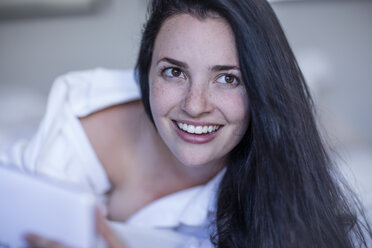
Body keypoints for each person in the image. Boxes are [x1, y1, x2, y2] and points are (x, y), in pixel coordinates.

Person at [2, 0, 371, 247]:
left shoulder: (286, 187)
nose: (195, 106)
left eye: (227, 78)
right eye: (174, 72)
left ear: (260, 87)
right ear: (146, 72)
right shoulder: (71, 132)